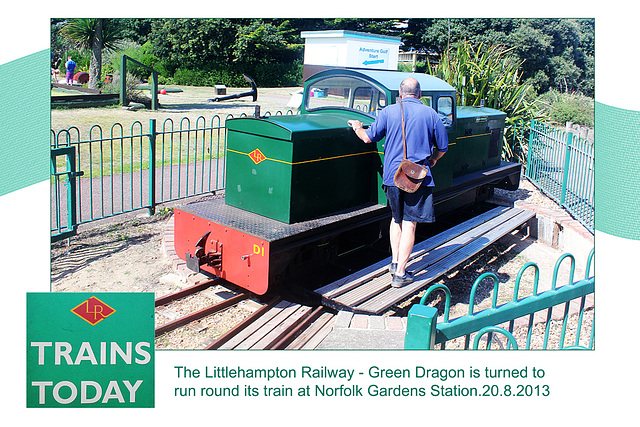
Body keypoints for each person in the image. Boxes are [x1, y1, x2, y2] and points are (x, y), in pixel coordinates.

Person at [348, 77, 448, 288]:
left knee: (396, 220)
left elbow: (368, 138)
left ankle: (395, 263)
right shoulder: (431, 114)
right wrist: (433, 160)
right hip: (418, 178)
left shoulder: (388, 112)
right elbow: (442, 147)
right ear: (420, 95)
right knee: (411, 224)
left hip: (393, 176)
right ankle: (401, 274)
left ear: (400, 94)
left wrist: (357, 127)